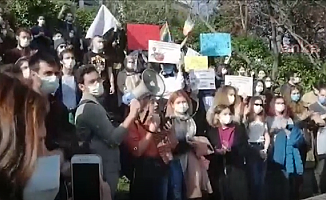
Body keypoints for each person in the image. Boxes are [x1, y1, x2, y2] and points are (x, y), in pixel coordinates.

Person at [74, 65, 141, 199]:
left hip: (101, 170)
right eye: (92, 82)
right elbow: (113, 139)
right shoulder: (90, 108)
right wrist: (132, 115)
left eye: (98, 79)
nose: (98, 84)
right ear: (82, 87)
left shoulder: (92, 105)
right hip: (101, 172)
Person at [205, 104, 249, 200]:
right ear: (217, 116)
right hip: (218, 170)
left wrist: (232, 150)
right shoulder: (212, 131)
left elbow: (245, 148)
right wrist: (217, 151)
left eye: (229, 114)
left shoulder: (239, 129)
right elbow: (208, 149)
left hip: (236, 168)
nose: (228, 116)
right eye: (225, 114)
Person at [243, 96, 270, 200]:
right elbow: (244, 134)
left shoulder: (263, 119)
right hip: (251, 147)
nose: (259, 107)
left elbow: (266, 135)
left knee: (261, 179)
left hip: (262, 146)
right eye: (256, 104)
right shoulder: (247, 118)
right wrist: (244, 117)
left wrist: (265, 149)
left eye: (261, 105)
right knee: (254, 179)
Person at [55, 49, 81, 120]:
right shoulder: (57, 78)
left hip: (76, 112)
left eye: (72, 58)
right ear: (61, 61)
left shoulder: (78, 77)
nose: (70, 60)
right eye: (67, 58)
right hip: (61, 114)